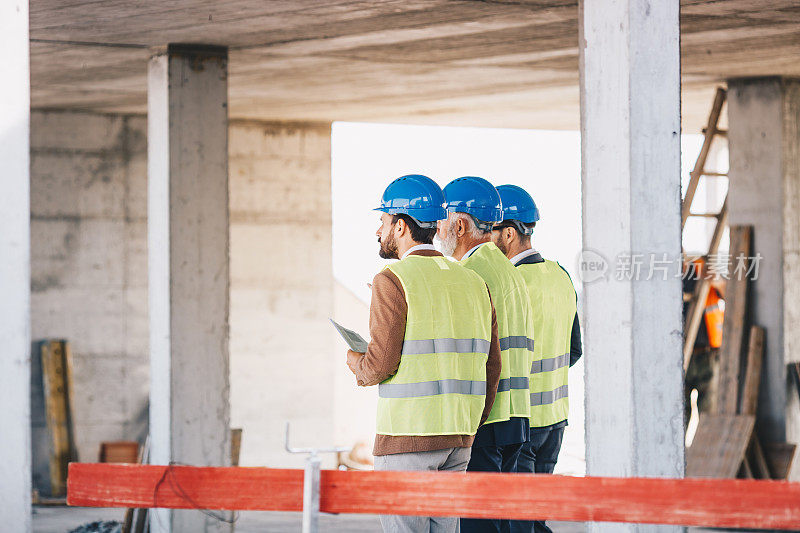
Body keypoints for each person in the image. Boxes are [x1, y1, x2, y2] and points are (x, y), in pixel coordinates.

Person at [346, 174, 502, 533]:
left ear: (401, 226)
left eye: (383, 222)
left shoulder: (393, 279)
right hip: (459, 436)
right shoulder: (473, 281)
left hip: (407, 439)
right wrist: (471, 425)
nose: (378, 231)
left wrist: (357, 364)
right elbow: (492, 365)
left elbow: (380, 364)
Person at [437, 176, 535, 533]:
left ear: (460, 225)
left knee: (480, 524)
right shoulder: (506, 269)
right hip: (515, 416)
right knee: (498, 520)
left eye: (442, 219)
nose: (436, 229)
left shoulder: (472, 273)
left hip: (487, 418)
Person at [492, 184, 582, 533]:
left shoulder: (509, 282)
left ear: (510, 233)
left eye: (491, 229)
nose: (486, 237)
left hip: (520, 424)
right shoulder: (561, 276)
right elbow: (575, 349)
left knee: (518, 523)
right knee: (533, 516)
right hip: (556, 421)